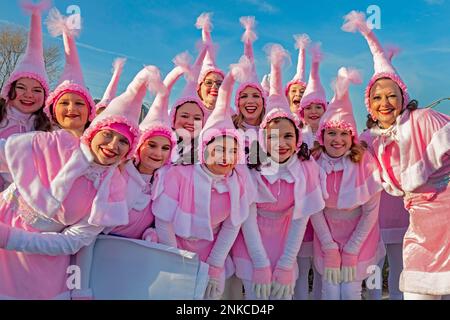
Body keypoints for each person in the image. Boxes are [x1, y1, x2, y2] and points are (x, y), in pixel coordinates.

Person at [0, 64, 165, 300]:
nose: (112, 145)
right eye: (107, 135)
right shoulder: (51, 143)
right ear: (93, 133)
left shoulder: (113, 189)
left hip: (40, 265)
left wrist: (9, 238)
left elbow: (73, 242)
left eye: (123, 141)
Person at [342, 10, 450, 300]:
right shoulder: (372, 141)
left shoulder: (426, 119)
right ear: (369, 106)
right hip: (420, 229)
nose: (384, 102)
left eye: (391, 95)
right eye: (376, 97)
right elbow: (340, 146)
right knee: (415, 289)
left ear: (403, 97)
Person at [153, 59, 254, 300]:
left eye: (231, 151)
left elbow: (232, 224)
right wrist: (176, 260)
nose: (224, 157)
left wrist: (215, 264)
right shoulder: (178, 173)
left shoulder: (235, 181)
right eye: (218, 149)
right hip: (173, 249)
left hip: (211, 251)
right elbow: (163, 220)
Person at [232, 44, 325, 300]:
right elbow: (247, 220)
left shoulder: (304, 170)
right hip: (252, 247)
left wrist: (285, 263)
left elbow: (300, 219)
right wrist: (260, 263)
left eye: (287, 136)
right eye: (273, 136)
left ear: (297, 139)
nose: (281, 143)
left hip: (286, 245)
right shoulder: (251, 168)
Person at [311, 67, 385, 300]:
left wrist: (352, 248)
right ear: (322, 136)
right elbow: (314, 209)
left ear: (352, 137)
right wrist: (329, 246)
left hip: (360, 237)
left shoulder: (365, 163)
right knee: (330, 290)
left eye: (344, 134)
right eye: (332, 133)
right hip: (327, 237)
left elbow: (370, 213)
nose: (338, 140)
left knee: (350, 290)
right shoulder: (314, 163)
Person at [0, 1, 52, 190]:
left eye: (37, 90)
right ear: (10, 89)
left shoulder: (45, 127)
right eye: (22, 87)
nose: (29, 95)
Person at [44, 8, 96, 137]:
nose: (71, 108)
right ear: (53, 110)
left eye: (79, 103)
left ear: (90, 110)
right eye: (64, 103)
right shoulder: (37, 142)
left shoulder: (98, 149)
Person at [195, 13, 225, 116]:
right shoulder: (191, 113)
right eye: (208, 82)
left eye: (219, 84)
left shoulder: (232, 115)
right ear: (199, 88)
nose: (214, 87)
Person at [285, 34, 310, 115]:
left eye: (302, 92)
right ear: (286, 96)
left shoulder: (312, 123)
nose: (298, 94)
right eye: (293, 91)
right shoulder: (279, 121)